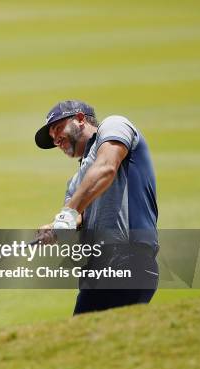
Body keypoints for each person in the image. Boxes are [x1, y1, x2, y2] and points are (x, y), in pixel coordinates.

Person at [34, 100, 159, 315]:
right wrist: (54, 229)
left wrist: (68, 214)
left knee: (87, 341)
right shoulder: (75, 183)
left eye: (57, 129)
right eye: (53, 139)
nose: (56, 140)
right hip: (97, 270)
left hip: (128, 259)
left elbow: (106, 168)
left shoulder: (114, 125)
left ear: (80, 119)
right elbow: (76, 219)